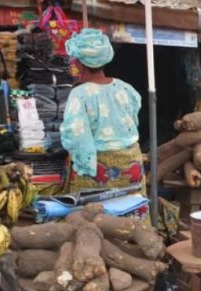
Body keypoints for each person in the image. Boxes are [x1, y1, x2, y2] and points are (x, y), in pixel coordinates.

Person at [60, 29, 143, 193]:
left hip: (97, 167)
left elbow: (74, 134)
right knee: (131, 207)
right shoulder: (125, 88)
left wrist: (84, 161)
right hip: (131, 163)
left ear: (79, 63)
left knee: (94, 209)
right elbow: (133, 120)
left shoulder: (79, 94)